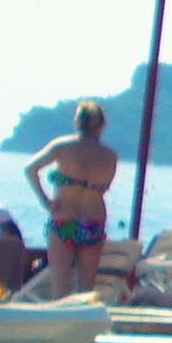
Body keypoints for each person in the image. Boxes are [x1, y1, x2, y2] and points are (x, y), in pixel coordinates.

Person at [22, 100, 119, 299]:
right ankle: (83, 319)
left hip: (63, 218)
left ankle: (59, 318)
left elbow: (30, 169)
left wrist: (44, 200)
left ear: (77, 122)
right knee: (86, 291)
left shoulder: (62, 147)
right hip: (93, 221)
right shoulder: (110, 156)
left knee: (60, 288)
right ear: (102, 125)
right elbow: (106, 185)